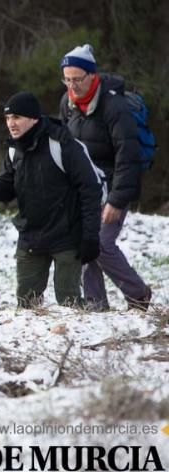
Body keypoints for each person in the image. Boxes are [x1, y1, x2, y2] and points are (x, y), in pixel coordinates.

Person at [0, 92, 103, 308]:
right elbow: (8, 189)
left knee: (69, 305)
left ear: (33, 118)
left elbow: (90, 190)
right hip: (31, 237)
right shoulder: (15, 149)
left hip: (67, 237)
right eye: (7, 119)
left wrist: (90, 235)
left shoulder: (62, 144)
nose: (11, 124)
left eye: (16, 118)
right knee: (26, 304)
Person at [58, 44, 153, 311]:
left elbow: (128, 156)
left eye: (77, 79)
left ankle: (138, 294)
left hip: (112, 187)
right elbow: (65, 146)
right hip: (84, 189)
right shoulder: (67, 103)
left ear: (92, 75)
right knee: (85, 244)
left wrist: (116, 200)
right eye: (67, 79)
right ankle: (95, 304)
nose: (72, 85)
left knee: (101, 244)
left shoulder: (115, 106)